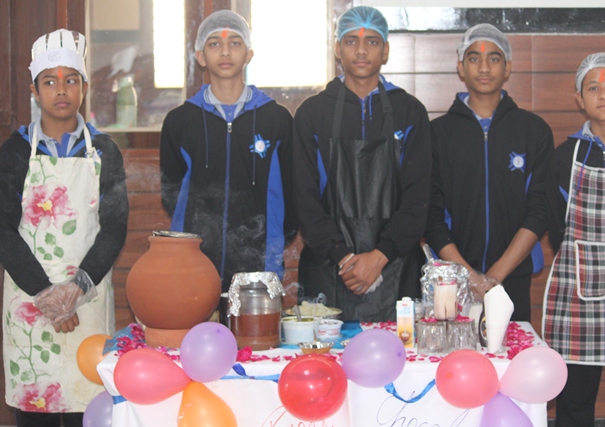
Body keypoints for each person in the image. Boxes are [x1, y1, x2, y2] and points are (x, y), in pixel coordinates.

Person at [0, 29, 128, 426]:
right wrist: (45, 293)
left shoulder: (104, 150)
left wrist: (75, 289)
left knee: (87, 406)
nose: (61, 90)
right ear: (34, 91)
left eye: (71, 80)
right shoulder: (15, 150)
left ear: (84, 88)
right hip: (30, 301)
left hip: (86, 299)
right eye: (49, 81)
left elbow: (114, 228)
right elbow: (3, 229)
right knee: (34, 412)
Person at [293, 6, 431, 322]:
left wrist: (379, 257)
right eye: (351, 41)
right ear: (338, 49)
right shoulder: (312, 114)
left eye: (372, 41)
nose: (361, 50)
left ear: (386, 51)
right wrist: (345, 259)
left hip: (396, 270)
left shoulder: (410, 112)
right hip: (328, 270)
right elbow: (304, 200)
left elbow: (418, 200)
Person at [424, 23, 554, 322]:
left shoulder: (533, 131)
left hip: (512, 278)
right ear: (461, 67)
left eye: (494, 58)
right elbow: (430, 214)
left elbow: (540, 210)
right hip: (451, 280)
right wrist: (468, 276)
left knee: (511, 351)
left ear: (507, 67)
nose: (484, 67)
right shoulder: (437, 133)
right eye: (474, 58)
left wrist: (495, 276)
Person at [160, 10, 296, 291]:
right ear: (200, 57)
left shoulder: (276, 119)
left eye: (235, 43)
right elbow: (171, 193)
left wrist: (272, 244)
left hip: (260, 262)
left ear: (249, 54)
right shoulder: (180, 121)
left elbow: (292, 193)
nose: (225, 51)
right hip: (194, 263)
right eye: (214, 44)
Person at [544, 53, 605, 427]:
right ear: (579, 98)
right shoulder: (565, 155)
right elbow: (557, 225)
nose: (604, 94)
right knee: (574, 400)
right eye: (593, 87)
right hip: (577, 290)